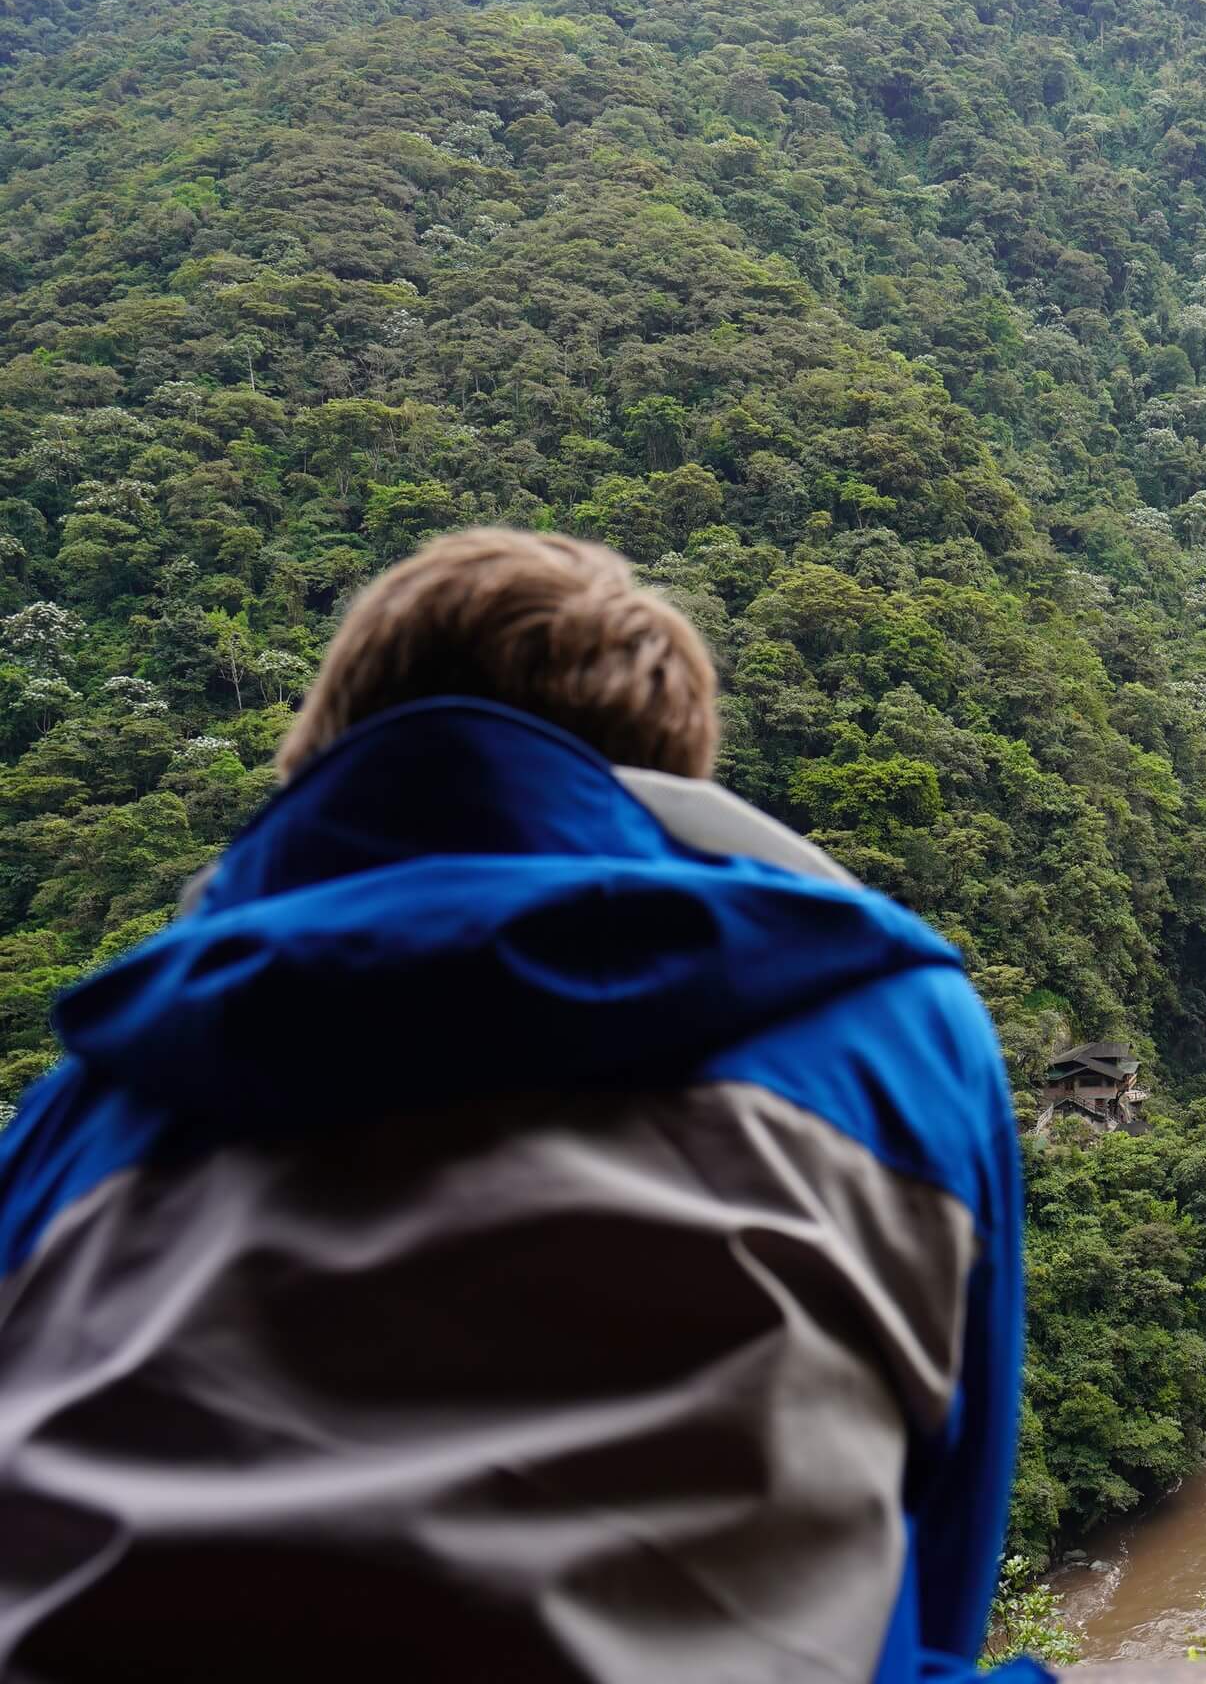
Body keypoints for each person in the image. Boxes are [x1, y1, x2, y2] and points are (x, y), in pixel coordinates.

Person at [0, 530, 1036, 1683]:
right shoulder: (895, 1034)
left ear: (319, 758)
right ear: (669, 779)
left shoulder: (79, 1112)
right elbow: (934, 1575)